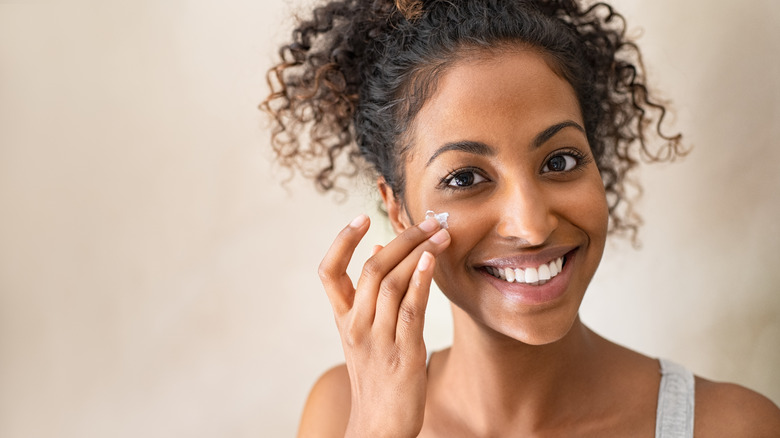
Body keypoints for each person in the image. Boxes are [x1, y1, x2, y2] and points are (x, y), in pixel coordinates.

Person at [263, 0, 780, 436]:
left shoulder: (730, 425)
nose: (531, 226)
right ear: (397, 208)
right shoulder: (340, 413)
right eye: (465, 178)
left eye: (560, 161)